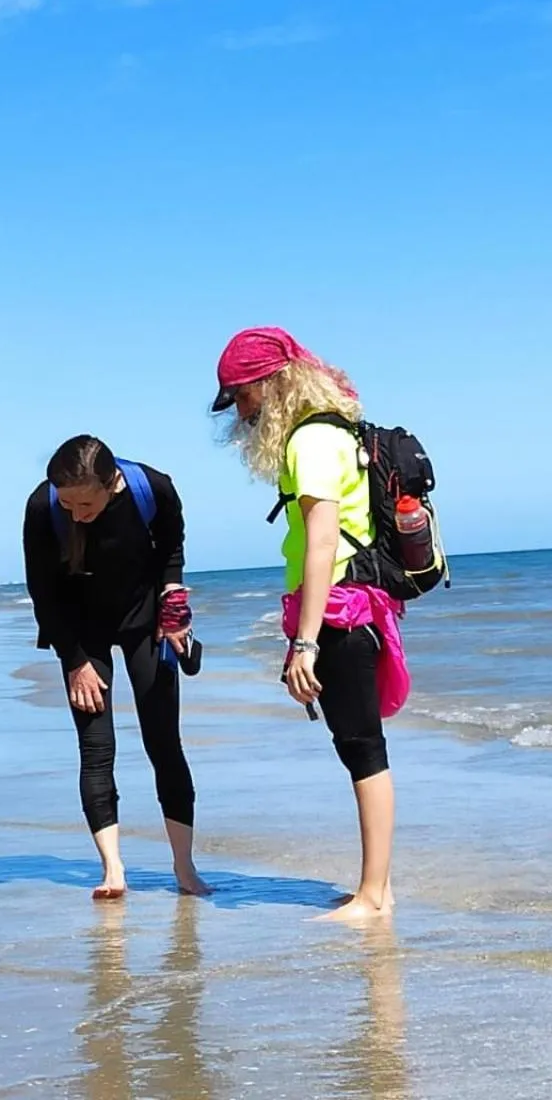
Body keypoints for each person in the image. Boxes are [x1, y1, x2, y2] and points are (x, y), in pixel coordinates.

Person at [212, 327, 396, 922]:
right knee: (357, 745)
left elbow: (322, 542)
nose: (240, 414)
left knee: (361, 746)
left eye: (242, 397)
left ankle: (374, 894)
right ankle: (376, 888)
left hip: (340, 610)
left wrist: (305, 642)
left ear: (274, 383)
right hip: (350, 605)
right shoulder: (331, 430)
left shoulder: (311, 440)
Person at [23, 435, 208, 900]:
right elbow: (43, 593)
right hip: (80, 632)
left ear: (112, 484)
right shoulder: (43, 507)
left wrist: (173, 605)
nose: (75, 515)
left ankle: (184, 867)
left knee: (163, 742)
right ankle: (112, 869)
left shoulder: (153, 487)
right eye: (68, 504)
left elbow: (171, 548)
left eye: (85, 504)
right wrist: (74, 662)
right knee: (96, 748)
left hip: (146, 625)